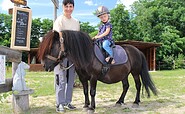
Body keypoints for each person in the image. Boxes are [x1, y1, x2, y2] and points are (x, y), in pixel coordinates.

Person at [53, 0, 80, 113]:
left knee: (70, 80)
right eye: (66, 6)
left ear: (73, 7)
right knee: (61, 79)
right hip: (61, 54)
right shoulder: (59, 20)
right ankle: (59, 103)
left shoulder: (76, 22)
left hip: (72, 54)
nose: (68, 8)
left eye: (71, 6)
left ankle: (68, 102)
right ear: (63, 7)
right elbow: (57, 36)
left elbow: (77, 38)